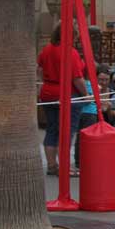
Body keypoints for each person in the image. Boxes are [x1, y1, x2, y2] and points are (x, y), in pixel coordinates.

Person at [38, 25, 88, 176]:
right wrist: (86, 94)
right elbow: (77, 78)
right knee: (67, 132)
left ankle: (52, 165)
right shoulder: (70, 53)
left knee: (52, 129)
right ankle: (66, 167)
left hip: (48, 92)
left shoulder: (46, 49)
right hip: (66, 94)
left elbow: (39, 69)